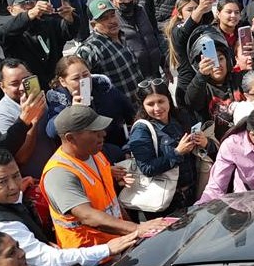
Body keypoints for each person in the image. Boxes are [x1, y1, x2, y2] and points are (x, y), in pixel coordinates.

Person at [0, 148, 137, 266]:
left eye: (16, 175)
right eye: (2, 181)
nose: (14, 186)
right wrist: (107, 249)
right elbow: (50, 261)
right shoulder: (2, 225)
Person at [41, 105, 167, 249]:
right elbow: (87, 216)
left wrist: (133, 232)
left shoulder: (95, 154)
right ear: (71, 138)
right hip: (92, 261)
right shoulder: (59, 174)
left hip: (118, 246)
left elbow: (111, 202)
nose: (103, 134)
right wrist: (136, 228)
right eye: (94, 131)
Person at [126, 80, 206, 215]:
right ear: (142, 106)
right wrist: (177, 153)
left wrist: (204, 143)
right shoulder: (142, 130)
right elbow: (147, 168)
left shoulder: (181, 117)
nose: (157, 108)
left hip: (192, 192)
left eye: (161, 101)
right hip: (166, 202)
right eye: (150, 104)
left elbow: (204, 151)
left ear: (169, 99)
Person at [0, 0, 79, 86]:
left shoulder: (48, 23)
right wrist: (30, 14)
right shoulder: (9, 31)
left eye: (32, 3)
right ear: (11, 10)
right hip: (30, 85)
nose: (29, 6)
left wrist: (69, 16)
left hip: (55, 82)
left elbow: (69, 32)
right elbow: (3, 33)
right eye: (24, 4)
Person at [76, 0, 145, 101]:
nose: (112, 21)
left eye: (112, 15)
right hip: (117, 113)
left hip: (138, 106)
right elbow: (81, 85)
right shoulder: (90, 49)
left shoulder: (122, 36)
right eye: (104, 19)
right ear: (93, 25)